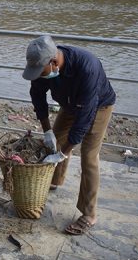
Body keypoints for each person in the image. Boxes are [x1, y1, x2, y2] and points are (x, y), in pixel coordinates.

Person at [22, 35, 116, 236]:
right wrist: (47, 130)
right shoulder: (43, 66)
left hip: (98, 106)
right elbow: (38, 97)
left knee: (89, 157)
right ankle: (54, 181)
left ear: (54, 63)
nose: (38, 75)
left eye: (41, 72)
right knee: (57, 138)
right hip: (69, 104)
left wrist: (65, 152)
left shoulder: (86, 67)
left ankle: (89, 214)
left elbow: (84, 119)